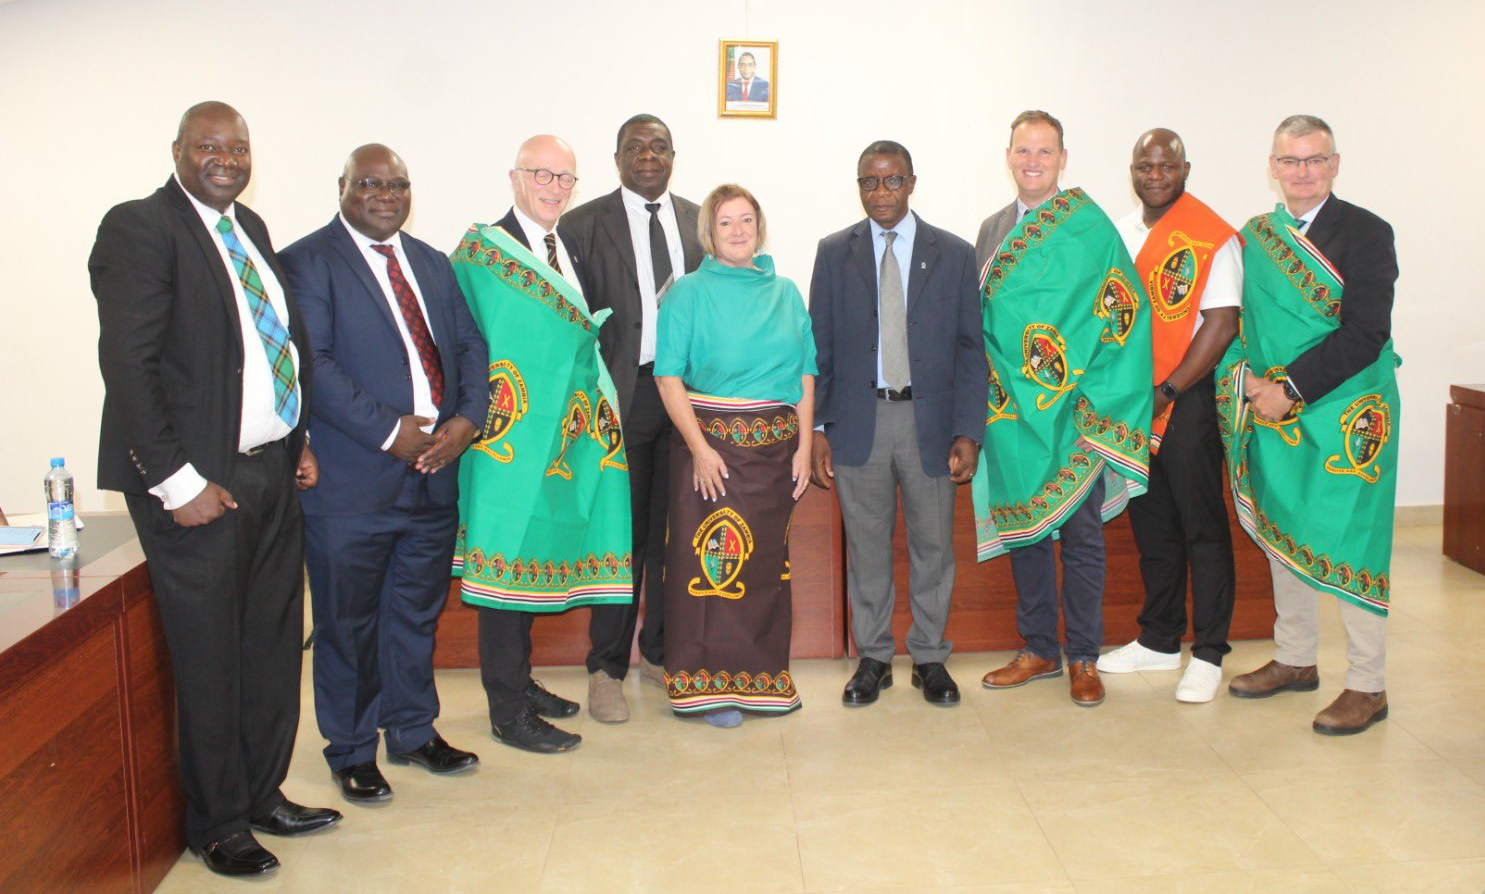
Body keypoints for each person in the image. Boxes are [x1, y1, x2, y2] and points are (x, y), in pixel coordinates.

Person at [90, 101, 339, 878]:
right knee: (210, 656)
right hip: (196, 483)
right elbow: (128, 366)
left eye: (237, 146)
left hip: (269, 470)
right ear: (177, 151)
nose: (225, 157)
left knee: (269, 643)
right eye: (209, 145)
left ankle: (263, 793)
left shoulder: (251, 232)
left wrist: (295, 441)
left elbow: (270, 352)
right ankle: (219, 821)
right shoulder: (140, 227)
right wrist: (173, 480)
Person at [278, 145, 489, 804]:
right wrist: (388, 429)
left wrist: (466, 420)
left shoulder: (429, 263)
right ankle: (350, 748)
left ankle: (412, 730)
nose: (385, 195)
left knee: (413, 613)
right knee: (348, 621)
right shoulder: (308, 261)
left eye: (397, 184)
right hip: (352, 479)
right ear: (342, 187)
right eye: (370, 184)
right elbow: (315, 362)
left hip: (433, 473)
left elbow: (468, 347)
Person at [451, 135, 633, 754]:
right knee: (505, 561)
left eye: (564, 179)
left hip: (562, 442)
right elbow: (468, 343)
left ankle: (522, 684)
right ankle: (506, 708)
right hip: (508, 440)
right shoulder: (483, 254)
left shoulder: (569, 247)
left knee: (532, 559)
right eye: (542, 175)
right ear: (514, 177)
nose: (554, 187)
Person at [1221, 115, 1400, 735]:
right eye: (1290, 161)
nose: (1302, 172)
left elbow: (1366, 331)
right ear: (1272, 166)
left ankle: (1368, 684)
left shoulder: (1368, 232)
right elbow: (1236, 321)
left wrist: (1291, 390)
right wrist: (1254, 386)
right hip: (1274, 406)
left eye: (1314, 160)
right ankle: (1296, 659)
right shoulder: (1254, 237)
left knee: (1355, 537)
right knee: (1284, 523)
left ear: (1335, 164)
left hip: (1350, 410)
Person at [974, 110, 1153, 708]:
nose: (1032, 161)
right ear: (1008, 156)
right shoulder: (991, 231)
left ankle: (1083, 655)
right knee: (1024, 530)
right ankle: (1038, 649)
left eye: (1044, 152)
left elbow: (1120, 312)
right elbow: (982, 327)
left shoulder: (1092, 228)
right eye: (1023, 151)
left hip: (1076, 413)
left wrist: (1094, 400)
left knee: (1081, 537)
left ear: (1063, 159)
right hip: (1013, 417)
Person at [809, 141, 986, 707]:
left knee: (934, 546)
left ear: (912, 183)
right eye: (869, 182)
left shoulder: (954, 253)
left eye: (891, 181)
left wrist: (968, 430)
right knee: (867, 548)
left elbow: (969, 351)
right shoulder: (834, 252)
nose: (880, 193)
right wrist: (816, 429)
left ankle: (930, 658)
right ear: (857, 186)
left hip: (929, 422)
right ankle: (875, 658)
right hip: (860, 421)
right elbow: (822, 349)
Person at [654, 183, 815, 728]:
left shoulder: (787, 292)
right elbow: (668, 375)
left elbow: (806, 373)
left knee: (766, 569)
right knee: (711, 564)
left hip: (775, 453)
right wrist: (699, 450)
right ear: (709, 232)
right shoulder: (688, 294)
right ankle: (708, 687)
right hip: (711, 452)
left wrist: (805, 444)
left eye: (746, 219)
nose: (738, 230)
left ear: (759, 226)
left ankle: (758, 679)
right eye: (726, 222)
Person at [560, 114, 703, 723]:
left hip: (691, 402)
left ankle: (663, 654)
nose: (648, 156)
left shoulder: (702, 221)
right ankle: (606, 668)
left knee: (678, 534)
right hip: (621, 400)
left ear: (674, 156)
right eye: (635, 147)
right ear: (616, 157)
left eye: (659, 147)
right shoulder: (582, 225)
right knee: (621, 538)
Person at [1094, 129, 1240, 704]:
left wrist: (1171, 389)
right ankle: (1158, 638)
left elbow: (1222, 322)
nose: (1155, 175)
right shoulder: (1124, 232)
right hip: (1135, 402)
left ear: (1185, 168)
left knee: (1201, 526)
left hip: (1186, 399)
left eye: (1166, 165)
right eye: (1144, 165)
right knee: (1151, 521)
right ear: (1131, 169)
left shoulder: (1210, 235)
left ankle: (1208, 652)